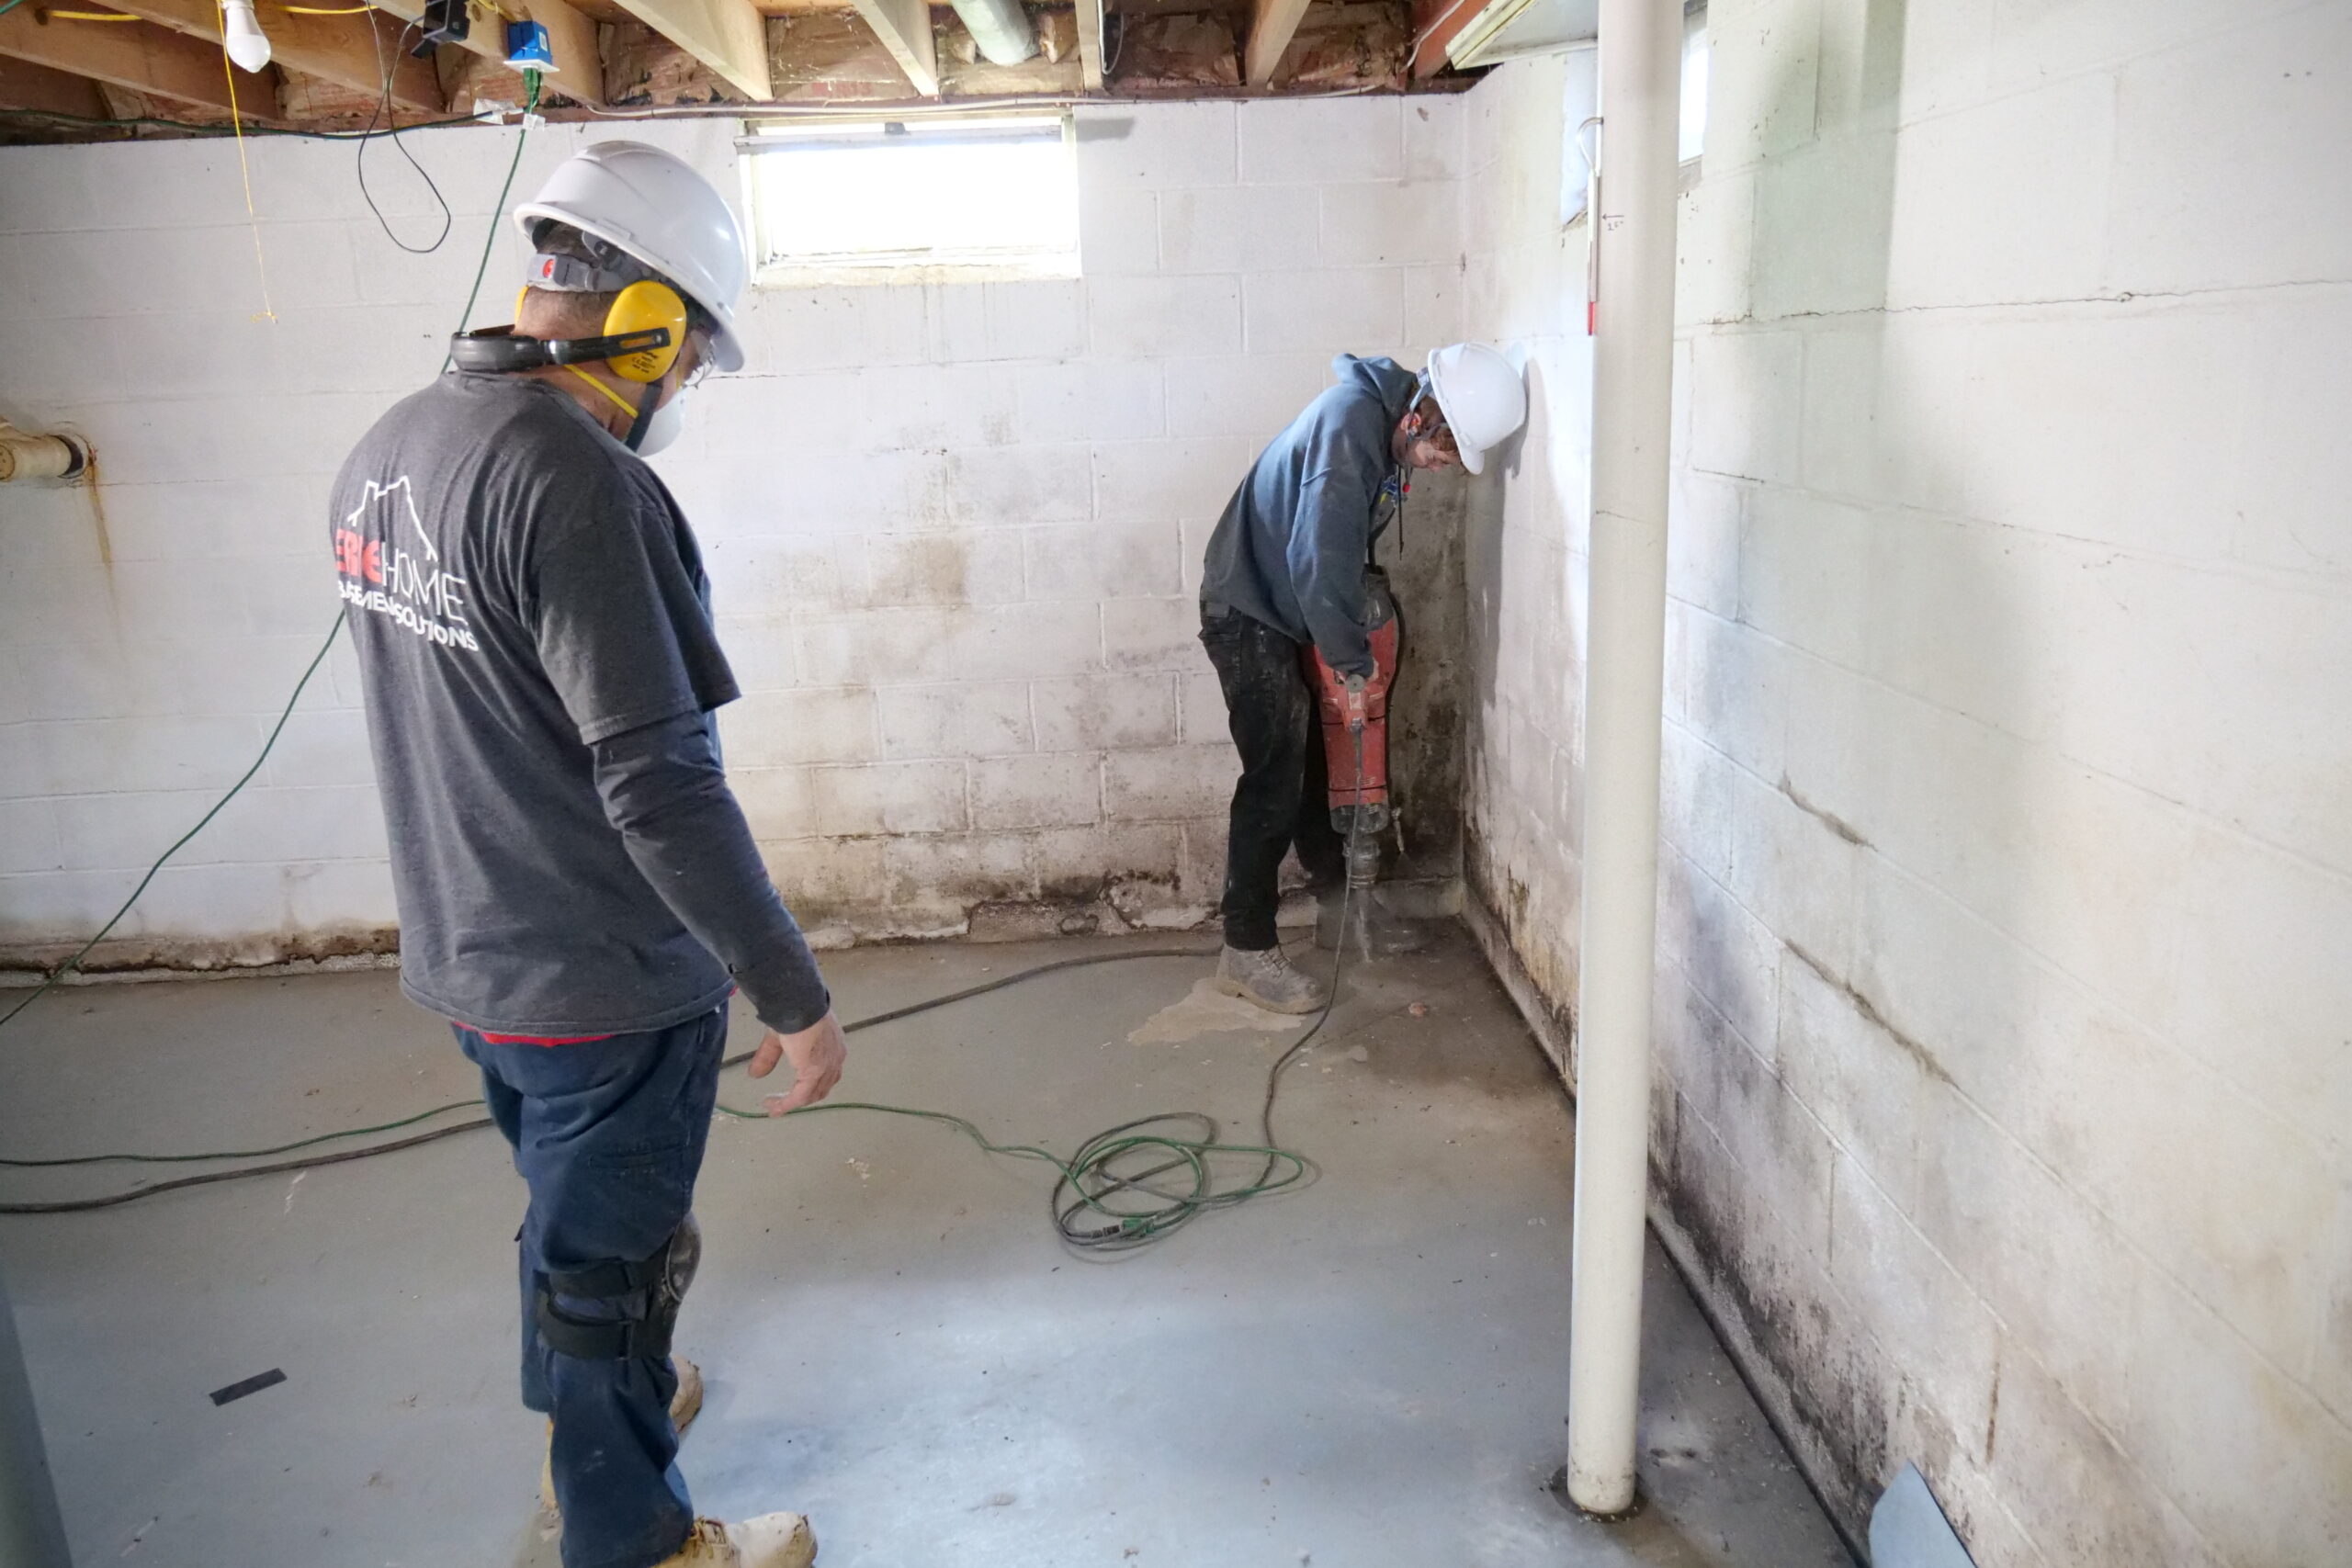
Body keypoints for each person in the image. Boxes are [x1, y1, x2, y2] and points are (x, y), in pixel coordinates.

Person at [330, 142, 838, 1568]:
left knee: (569, 1227)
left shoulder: (392, 448)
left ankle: (592, 1398)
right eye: (695, 357)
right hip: (605, 981)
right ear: (657, 326)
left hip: (473, 958)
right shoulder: (585, 485)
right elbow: (662, 784)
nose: (684, 390)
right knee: (607, 1269)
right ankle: (633, 1529)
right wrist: (792, 994)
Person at [1198, 344, 1527, 1013]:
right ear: (1420, 414)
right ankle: (1246, 947)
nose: (1441, 466)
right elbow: (1318, 563)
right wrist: (1351, 660)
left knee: (1318, 764)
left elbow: (1336, 557)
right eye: (1444, 448)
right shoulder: (1351, 426)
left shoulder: (1378, 427)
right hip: (1247, 608)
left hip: (1282, 605)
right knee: (1276, 774)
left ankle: (1342, 909)